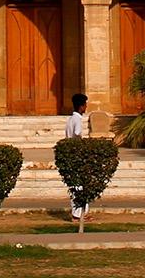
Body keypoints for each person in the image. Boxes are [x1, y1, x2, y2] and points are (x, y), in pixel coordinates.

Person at [65, 93, 92, 222]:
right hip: (76, 154)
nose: (86, 107)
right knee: (80, 185)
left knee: (75, 185)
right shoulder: (77, 120)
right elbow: (77, 133)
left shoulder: (70, 119)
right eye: (85, 105)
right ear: (81, 106)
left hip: (71, 153)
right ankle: (78, 214)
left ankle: (79, 213)